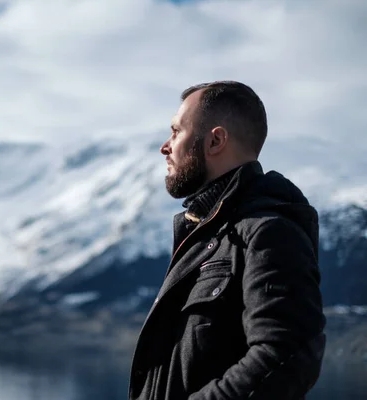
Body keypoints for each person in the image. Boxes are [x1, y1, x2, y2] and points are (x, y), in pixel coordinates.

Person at [128, 81, 326, 400]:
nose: (165, 146)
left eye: (176, 131)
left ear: (216, 140)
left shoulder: (268, 230)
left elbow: (285, 354)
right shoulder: (209, 233)